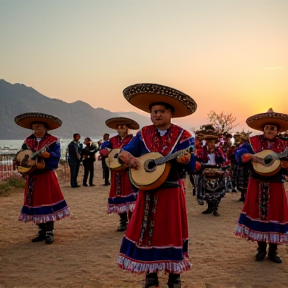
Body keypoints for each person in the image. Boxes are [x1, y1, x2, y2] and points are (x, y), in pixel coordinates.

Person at [117, 83, 198, 288]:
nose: (158, 115)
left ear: (171, 113)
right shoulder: (143, 134)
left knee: (171, 231)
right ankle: (150, 273)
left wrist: (185, 159)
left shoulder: (184, 136)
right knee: (148, 232)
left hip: (171, 189)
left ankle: (174, 276)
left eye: (162, 111)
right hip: (148, 191)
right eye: (154, 112)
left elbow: (191, 164)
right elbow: (126, 152)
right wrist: (127, 157)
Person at [235, 108, 288, 263]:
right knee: (258, 214)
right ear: (262, 129)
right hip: (256, 182)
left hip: (276, 184)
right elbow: (239, 153)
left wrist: (285, 165)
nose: (269, 130)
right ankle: (261, 249)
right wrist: (243, 156)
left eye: (272, 128)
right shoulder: (254, 142)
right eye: (266, 128)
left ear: (278, 130)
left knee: (275, 216)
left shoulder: (284, 145)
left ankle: (273, 251)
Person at [14, 112, 70, 244]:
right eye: (34, 128)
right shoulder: (28, 141)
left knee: (47, 202)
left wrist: (48, 155)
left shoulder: (52, 141)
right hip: (32, 177)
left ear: (45, 128)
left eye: (38, 127)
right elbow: (22, 155)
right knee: (33, 202)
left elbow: (56, 156)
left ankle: (50, 231)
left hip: (45, 176)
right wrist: (19, 161)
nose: (36, 130)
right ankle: (41, 230)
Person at [100, 117, 139, 232]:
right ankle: (123, 222)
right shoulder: (111, 141)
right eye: (118, 126)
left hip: (129, 171)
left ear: (127, 128)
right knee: (118, 196)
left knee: (132, 195)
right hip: (116, 173)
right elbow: (103, 151)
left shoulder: (133, 140)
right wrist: (106, 151)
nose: (120, 127)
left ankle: (132, 222)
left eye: (123, 125)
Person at [196, 125, 226, 216]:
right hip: (206, 170)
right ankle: (209, 207)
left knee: (217, 191)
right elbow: (201, 159)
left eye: (212, 142)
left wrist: (217, 152)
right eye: (209, 142)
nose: (211, 144)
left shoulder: (218, 150)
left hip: (217, 170)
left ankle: (215, 209)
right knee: (207, 191)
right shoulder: (203, 150)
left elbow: (222, 160)